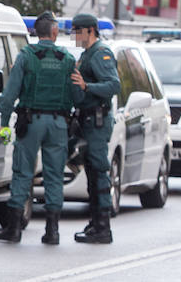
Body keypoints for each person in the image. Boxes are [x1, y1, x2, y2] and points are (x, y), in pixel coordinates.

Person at [0, 11, 79, 244]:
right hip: (59, 123)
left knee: (23, 172)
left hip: (30, 122)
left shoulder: (26, 56)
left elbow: (9, 95)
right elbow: (77, 95)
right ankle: (52, 231)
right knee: (54, 175)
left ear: (35, 32)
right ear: (54, 31)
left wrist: (4, 125)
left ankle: (14, 228)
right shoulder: (68, 59)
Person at [70, 13, 120, 244]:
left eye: (78, 31)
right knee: (91, 170)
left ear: (91, 30)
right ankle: (95, 222)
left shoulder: (101, 53)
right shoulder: (88, 54)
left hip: (97, 121)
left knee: (99, 170)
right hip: (87, 121)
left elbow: (113, 85)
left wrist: (87, 86)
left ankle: (103, 226)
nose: (75, 36)